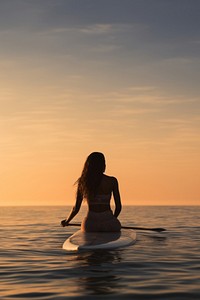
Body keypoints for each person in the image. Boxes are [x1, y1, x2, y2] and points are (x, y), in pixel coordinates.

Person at [61, 152, 122, 232]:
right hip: (109, 223)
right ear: (103, 165)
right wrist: (112, 219)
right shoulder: (112, 181)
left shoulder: (83, 182)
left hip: (91, 224)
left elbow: (76, 209)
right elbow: (118, 207)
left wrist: (67, 221)